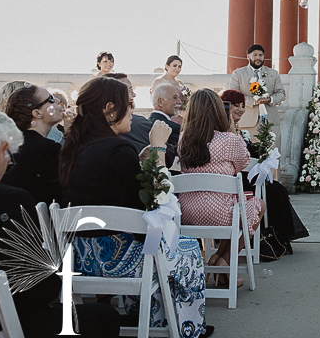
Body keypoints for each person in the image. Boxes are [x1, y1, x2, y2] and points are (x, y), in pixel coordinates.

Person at [59, 77, 211, 338]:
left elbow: (111, 191)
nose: (132, 110)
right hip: (118, 261)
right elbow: (155, 202)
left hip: (80, 257)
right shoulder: (118, 148)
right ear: (110, 109)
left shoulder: (72, 148)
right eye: (128, 105)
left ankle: (149, 318)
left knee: (149, 243)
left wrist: (140, 162)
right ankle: (189, 328)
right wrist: (159, 148)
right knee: (187, 247)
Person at [0, 109, 121, 338]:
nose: (9, 164)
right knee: (104, 316)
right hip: (5, 324)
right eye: (9, 156)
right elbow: (41, 288)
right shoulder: (11, 200)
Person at [178, 89, 264, 283]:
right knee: (256, 206)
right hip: (221, 213)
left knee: (236, 207)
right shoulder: (229, 139)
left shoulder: (184, 139)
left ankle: (218, 259)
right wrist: (231, 133)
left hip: (186, 213)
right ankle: (224, 259)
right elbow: (243, 163)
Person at [221, 89, 309, 255]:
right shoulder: (225, 131)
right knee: (274, 190)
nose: (240, 109)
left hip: (242, 177)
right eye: (235, 106)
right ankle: (267, 236)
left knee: (276, 188)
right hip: (234, 180)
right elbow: (241, 159)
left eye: (242, 106)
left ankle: (276, 236)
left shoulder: (237, 129)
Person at [1, 84, 62, 205]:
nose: (57, 101)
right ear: (37, 113)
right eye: (50, 99)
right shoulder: (47, 149)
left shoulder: (7, 145)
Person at [226, 44, 287, 132]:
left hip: (271, 122)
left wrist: (271, 99)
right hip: (247, 122)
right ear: (248, 56)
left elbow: (282, 93)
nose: (258, 58)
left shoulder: (273, 73)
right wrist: (254, 101)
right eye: (255, 55)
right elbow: (233, 95)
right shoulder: (238, 74)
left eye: (260, 55)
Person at [149, 83, 182, 148]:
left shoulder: (147, 122)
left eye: (178, 98)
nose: (180, 102)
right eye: (175, 98)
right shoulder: (173, 129)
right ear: (160, 102)